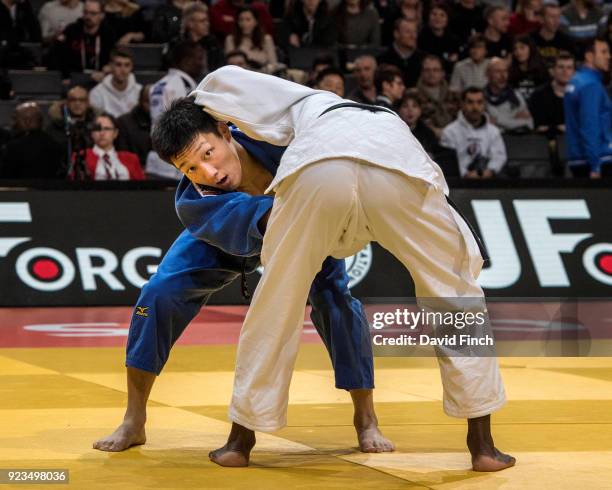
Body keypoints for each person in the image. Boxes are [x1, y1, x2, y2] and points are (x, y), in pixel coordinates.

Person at [165, 65, 514, 472]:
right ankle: (483, 446)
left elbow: (226, 80)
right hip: (397, 164)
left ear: (223, 132)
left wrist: (191, 105)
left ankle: (239, 441)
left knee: (276, 300)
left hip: (318, 164)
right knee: (455, 294)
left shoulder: (301, 104)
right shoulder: (358, 112)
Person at [93, 102, 394, 454]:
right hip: (226, 242)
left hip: (305, 230)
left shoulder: (274, 142)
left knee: (337, 300)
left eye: (208, 154)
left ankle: (366, 417)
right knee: (158, 293)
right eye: (190, 168)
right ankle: (134, 418)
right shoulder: (194, 202)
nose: (208, 171)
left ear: (224, 131)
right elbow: (266, 218)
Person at [146, 41, 204, 180]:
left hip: (160, 156)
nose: (202, 64)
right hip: (178, 160)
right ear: (186, 61)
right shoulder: (181, 87)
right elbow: (185, 126)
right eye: (199, 59)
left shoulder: (159, 84)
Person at [564, 37, 612, 178]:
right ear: (589, 56)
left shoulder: (576, 81)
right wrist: (595, 165)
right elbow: (590, 125)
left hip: (577, 156)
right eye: (603, 52)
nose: (609, 56)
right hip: (598, 160)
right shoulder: (591, 85)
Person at [441, 87, 507, 178]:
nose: (475, 107)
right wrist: (465, 174)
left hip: (489, 181)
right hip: (458, 183)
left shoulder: (493, 131)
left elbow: (499, 156)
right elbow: (448, 161)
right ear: (462, 104)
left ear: (484, 105)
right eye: (470, 102)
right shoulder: (449, 132)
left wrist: (490, 171)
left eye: (479, 102)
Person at [54, 0, 119, 82]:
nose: (88, 17)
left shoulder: (108, 34)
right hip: (74, 77)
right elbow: (59, 56)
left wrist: (107, 69)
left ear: (102, 15)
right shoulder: (72, 30)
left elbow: (114, 58)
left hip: (100, 78)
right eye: (85, 12)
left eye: (93, 13)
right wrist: (65, 76)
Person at [0, 102, 64, 179]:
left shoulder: (13, 148)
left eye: (15, 118)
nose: (12, 123)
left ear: (27, 121)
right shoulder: (55, 145)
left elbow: (5, 178)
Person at [75, 112, 144, 180]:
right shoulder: (82, 156)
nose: (102, 133)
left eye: (107, 129)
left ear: (115, 133)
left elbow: (142, 188)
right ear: (92, 133)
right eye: (98, 129)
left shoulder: (131, 159)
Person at [45, 84, 97, 161]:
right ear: (66, 103)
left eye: (82, 100)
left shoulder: (96, 125)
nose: (77, 103)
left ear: (88, 103)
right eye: (73, 100)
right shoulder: (54, 127)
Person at [528, 52, 575, 136]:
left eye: (569, 68)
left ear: (574, 73)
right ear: (552, 71)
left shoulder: (581, 96)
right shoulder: (538, 96)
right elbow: (539, 127)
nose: (565, 71)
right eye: (561, 67)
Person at [484, 57, 533, 133]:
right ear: (488, 74)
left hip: (514, 141)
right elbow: (485, 126)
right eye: (498, 71)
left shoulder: (516, 96)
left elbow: (529, 124)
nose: (503, 76)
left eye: (505, 71)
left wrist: (497, 121)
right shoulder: (480, 97)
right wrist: (514, 121)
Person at [224, 7, 280, 73]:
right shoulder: (230, 39)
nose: (244, 23)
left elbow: (274, 64)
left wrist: (264, 71)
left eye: (248, 20)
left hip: (263, 75)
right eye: (241, 20)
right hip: (240, 76)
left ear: (256, 22)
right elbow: (230, 66)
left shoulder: (266, 39)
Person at [416, 54, 460, 137]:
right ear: (422, 73)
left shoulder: (454, 95)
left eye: (435, 70)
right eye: (427, 70)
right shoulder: (413, 95)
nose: (431, 73)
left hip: (454, 137)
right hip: (424, 138)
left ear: (442, 73)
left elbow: (460, 118)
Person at [90, 48, 142, 118]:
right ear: (110, 66)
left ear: (131, 67)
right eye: (118, 65)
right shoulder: (96, 93)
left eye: (127, 65)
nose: (123, 70)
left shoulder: (140, 91)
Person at [177, 1, 224, 75]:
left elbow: (220, 68)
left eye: (207, 20)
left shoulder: (213, 44)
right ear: (190, 24)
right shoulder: (179, 44)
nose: (207, 24)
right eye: (202, 21)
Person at [377, 18, 425, 88]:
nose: (413, 36)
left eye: (415, 32)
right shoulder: (382, 60)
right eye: (408, 32)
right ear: (396, 34)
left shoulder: (424, 59)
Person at [418, 2, 460, 74]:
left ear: (447, 20)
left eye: (442, 15)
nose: (437, 18)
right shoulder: (419, 38)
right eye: (434, 14)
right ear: (428, 17)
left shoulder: (453, 40)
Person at [116, 84, 152, 166]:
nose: (152, 106)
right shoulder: (124, 123)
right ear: (140, 101)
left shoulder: (170, 122)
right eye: (148, 102)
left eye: (156, 102)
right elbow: (124, 158)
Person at [508, 35, 549, 100]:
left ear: (531, 48)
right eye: (515, 49)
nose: (518, 52)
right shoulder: (511, 71)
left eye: (522, 48)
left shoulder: (542, 69)